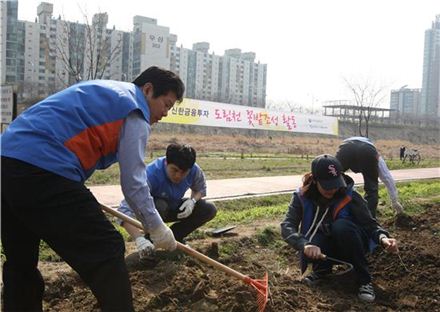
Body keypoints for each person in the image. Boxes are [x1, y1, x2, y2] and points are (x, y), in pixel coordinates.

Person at [1, 66, 184, 311]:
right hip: (43, 170)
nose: (165, 114)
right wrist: (156, 226)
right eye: (166, 104)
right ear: (148, 90)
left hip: (6, 163)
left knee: (20, 260)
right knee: (107, 247)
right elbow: (134, 183)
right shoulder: (134, 110)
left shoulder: (106, 91)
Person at [281, 154, 399, 302]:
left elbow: (370, 224)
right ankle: (321, 271)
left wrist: (383, 238)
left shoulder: (351, 196)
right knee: (319, 232)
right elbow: (287, 226)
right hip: (322, 250)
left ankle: (364, 280)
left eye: (336, 184)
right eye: (327, 186)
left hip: (352, 243)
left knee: (341, 226)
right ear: (315, 180)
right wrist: (304, 245)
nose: (333, 189)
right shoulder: (301, 197)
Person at [118, 143, 217, 260]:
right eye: (174, 170)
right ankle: (150, 241)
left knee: (208, 209)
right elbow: (124, 211)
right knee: (160, 205)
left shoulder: (194, 170)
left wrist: (192, 201)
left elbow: (200, 189)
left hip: (174, 207)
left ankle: (175, 238)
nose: (178, 176)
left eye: (184, 172)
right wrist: (139, 239)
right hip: (153, 213)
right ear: (166, 163)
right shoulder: (151, 174)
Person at [335, 136, 404, 218]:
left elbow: (328, 169)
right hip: (367, 151)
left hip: (346, 148)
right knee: (372, 188)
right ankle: (369, 220)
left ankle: (330, 210)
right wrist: (394, 201)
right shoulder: (375, 154)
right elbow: (387, 178)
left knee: (333, 175)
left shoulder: (353, 145)